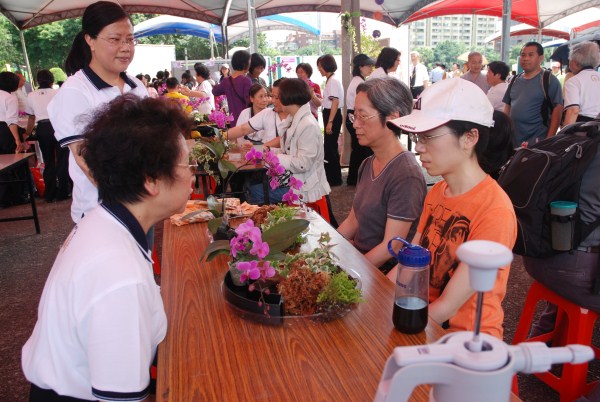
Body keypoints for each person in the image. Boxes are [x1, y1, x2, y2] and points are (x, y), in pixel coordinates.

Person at [22, 94, 194, 402]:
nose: (193, 173)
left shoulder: (105, 222)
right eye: (188, 163)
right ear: (151, 180)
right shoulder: (120, 275)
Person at [387, 78, 517, 339]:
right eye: (416, 137)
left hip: (465, 340)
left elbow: (448, 305)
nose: (419, 148)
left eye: (428, 137)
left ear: (470, 137)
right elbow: (410, 263)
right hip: (421, 316)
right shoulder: (437, 191)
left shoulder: (495, 210)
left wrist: (387, 330)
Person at [48, 0, 147, 223]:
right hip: (102, 212)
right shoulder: (75, 91)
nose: (126, 47)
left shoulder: (136, 86)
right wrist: (126, 200)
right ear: (90, 40)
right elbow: (84, 158)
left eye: (130, 40)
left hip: (142, 207)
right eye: (115, 39)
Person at [338, 77, 426, 272]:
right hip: (360, 261)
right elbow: (354, 220)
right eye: (355, 116)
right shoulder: (367, 164)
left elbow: (392, 247)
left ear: (392, 118)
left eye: (363, 116)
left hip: (381, 275)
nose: (355, 124)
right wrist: (325, 249)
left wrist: (346, 274)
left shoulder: (405, 173)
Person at [263, 78, 331, 204]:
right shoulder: (293, 119)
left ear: (288, 98)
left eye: (277, 97)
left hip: (306, 187)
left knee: (255, 192)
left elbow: (303, 163)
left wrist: (276, 156)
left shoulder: (307, 125)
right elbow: (290, 151)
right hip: (296, 180)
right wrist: (270, 152)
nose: (274, 101)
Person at [227, 79, 290, 204]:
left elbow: (283, 139)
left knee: (251, 191)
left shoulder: (295, 116)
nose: (270, 100)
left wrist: (261, 147)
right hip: (268, 170)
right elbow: (243, 129)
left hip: (289, 178)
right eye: (270, 96)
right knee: (247, 184)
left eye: (274, 97)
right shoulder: (268, 113)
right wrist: (221, 136)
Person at [503, 42, 563, 146]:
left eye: (530, 55)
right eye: (523, 55)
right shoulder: (515, 80)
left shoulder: (549, 80)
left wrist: (549, 141)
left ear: (540, 58)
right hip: (513, 142)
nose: (525, 58)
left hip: (537, 142)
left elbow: (558, 110)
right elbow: (508, 106)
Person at [25, 69, 70, 203]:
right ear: (52, 80)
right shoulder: (58, 92)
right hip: (58, 126)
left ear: (38, 81)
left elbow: (31, 117)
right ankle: (63, 192)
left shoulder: (31, 95)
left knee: (48, 160)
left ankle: (49, 194)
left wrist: (27, 133)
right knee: (63, 160)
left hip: (42, 128)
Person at [345, 53, 375, 186]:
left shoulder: (358, 80)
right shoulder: (359, 82)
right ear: (360, 67)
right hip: (355, 116)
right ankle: (356, 178)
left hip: (353, 115)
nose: (370, 68)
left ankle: (354, 178)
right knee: (360, 150)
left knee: (358, 149)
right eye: (368, 66)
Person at [317, 54, 343, 187]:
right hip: (330, 114)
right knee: (330, 146)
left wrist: (330, 122)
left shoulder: (332, 80)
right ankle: (333, 177)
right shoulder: (331, 79)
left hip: (332, 115)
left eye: (320, 66)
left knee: (330, 147)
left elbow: (335, 102)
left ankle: (334, 178)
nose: (319, 69)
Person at [563, 41, 600, 126]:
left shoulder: (574, 81)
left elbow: (573, 110)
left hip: (585, 129)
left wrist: (564, 134)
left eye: (570, 60)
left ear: (576, 62)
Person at [212, 50, 252, 127]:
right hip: (245, 119)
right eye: (249, 63)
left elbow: (215, 91)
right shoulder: (246, 80)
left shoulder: (226, 81)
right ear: (245, 64)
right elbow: (249, 102)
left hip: (233, 120)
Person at [0, 71, 27, 154]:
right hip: (4, 131)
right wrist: (17, 140)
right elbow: (11, 121)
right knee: (13, 159)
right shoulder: (10, 97)